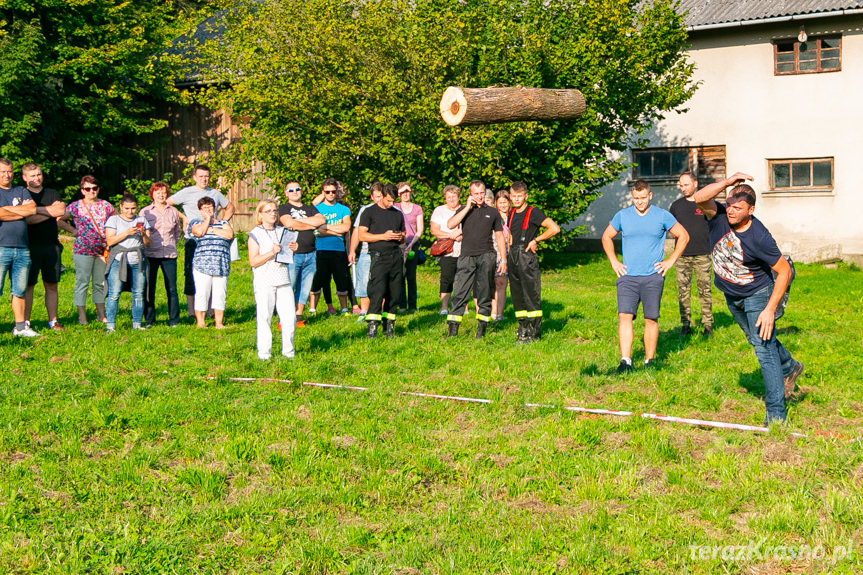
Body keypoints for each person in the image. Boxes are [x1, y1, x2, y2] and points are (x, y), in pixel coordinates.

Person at [693, 172, 804, 424]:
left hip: (758, 293)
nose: (731, 211)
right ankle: (789, 366)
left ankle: (776, 415)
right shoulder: (718, 214)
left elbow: (784, 271)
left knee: (764, 350)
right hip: (732, 294)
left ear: (750, 210)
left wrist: (769, 309)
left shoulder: (759, 237)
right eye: (730, 204)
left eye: (738, 208)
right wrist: (726, 183)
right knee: (757, 341)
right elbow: (698, 198)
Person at [601, 180, 689, 372]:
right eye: (635, 198)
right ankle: (626, 361)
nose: (639, 202)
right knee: (624, 316)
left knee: (651, 318)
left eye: (642, 198)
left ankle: (649, 361)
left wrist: (670, 260)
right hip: (628, 276)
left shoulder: (662, 216)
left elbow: (683, 236)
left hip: (652, 276)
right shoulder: (622, 216)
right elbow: (606, 236)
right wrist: (614, 261)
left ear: (650, 196)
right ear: (632, 197)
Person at [167, 164, 235, 317]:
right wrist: (183, 217)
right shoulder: (186, 192)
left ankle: (211, 310)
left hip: (213, 239)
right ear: (194, 177)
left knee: (214, 273)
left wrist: (222, 222)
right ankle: (192, 311)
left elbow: (230, 207)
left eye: (206, 176)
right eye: (201, 176)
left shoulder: (215, 193)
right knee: (191, 274)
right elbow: (167, 204)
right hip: (193, 239)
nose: (204, 179)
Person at [445, 180, 507, 339]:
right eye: (476, 194)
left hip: (487, 256)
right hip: (466, 256)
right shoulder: (463, 210)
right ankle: (453, 332)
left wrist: (504, 260)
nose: (480, 197)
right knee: (459, 291)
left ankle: (481, 331)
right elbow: (451, 224)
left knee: (484, 292)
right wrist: (467, 207)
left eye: (482, 193)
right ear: (470, 195)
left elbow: (499, 237)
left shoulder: (493, 212)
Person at [507, 181, 561, 342]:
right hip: (512, 256)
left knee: (531, 294)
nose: (516, 199)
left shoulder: (534, 212)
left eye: (519, 196)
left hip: (526, 257)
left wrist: (536, 240)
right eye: (514, 196)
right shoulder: (511, 213)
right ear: (510, 197)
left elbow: (554, 228)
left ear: (526, 196)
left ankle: (534, 332)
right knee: (517, 295)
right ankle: (522, 328)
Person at [22, 162, 70, 332]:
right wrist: (49, 211)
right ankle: (25, 322)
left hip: (52, 246)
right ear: (25, 178)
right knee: (28, 286)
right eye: (33, 175)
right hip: (29, 246)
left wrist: (36, 211)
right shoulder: (22, 194)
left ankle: (53, 321)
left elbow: (60, 212)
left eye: (39, 174)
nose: (37, 178)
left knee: (51, 285)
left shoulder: (52, 193)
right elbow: (27, 219)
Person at [248, 199, 296, 360]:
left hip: (283, 278)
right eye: (268, 211)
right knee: (265, 316)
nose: (272, 214)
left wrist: (292, 250)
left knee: (290, 317)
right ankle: (264, 353)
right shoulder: (255, 234)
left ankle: (289, 352)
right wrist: (271, 253)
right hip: (264, 279)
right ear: (260, 214)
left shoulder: (283, 231)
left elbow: (286, 256)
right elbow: (253, 261)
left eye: (274, 211)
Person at [63, 175, 113, 326]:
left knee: (100, 283)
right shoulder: (75, 206)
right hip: (82, 250)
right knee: (82, 282)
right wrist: (72, 230)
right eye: (87, 189)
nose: (91, 191)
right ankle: (82, 316)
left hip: (101, 250)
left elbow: (118, 219)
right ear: (82, 190)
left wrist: (111, 238)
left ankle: (101, 314)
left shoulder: (106, 205)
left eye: (94, 188)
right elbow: (59, 220)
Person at [0, 158, 42, 336]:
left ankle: (20, 327)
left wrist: (7, 211)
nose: (6, 175)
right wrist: (19, 211)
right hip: (1, 247)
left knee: (19, 289)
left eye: (9, 171)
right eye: (2, 172)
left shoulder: (20, 191)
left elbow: (32, 210)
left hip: (22, 249)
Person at [357, 184, 405, 338]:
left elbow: (403, 234)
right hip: (378, 256)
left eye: (393, 201)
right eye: (389, 200)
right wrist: (383, 236)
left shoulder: (397, 214)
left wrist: (400, 237)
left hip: (395, 255)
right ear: (382, 196)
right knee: (377, 292)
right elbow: (362, 236)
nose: (391, 204)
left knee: (395, 292)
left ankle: (389, 325)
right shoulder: (369, 212)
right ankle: (372, 327)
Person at [670, 172, 714, 337]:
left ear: (695, 183)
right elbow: (671, 229)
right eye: (681, 185)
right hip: (682, 255)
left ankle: (708, 325)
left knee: (705, 290)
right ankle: (685, 324)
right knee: (683, 291)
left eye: (686, 184)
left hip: (702, 254)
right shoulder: (676, 206)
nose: (683, 188)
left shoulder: (705, 204)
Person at [141, 181, 187, 327]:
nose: (161, 195)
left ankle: (174, 320)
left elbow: (177, 232)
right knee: (149, 288)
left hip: (169, 254)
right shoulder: (145, 212)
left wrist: (172, 243)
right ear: (152, 194)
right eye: (157, 192)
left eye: (163, 192)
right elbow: (141, 232)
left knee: (172, 288)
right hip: (150, 253)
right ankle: (149, 320)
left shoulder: (173, 211)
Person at [278, 181, 325, 326]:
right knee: (289, 287)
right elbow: (289, 223)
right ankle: (285, 318)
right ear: (286, 193)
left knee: (304, 288)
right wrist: (311, 224)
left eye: (297, 189)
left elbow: (322, 220)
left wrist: (299, 222)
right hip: (292, 254)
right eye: (291, 190)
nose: (295, 192)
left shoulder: (310, 208)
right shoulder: (283, 208)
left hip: (310, 253)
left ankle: (298, 317)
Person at [104, 194, 151, 332]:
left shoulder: (141, 220)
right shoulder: (113, 220)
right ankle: (110, 325)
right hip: (118, 259)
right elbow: (110, 241)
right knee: (114, 293)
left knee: (138, 293)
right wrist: (127, 233)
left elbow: (148, 243)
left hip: (137, 260)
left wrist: (142, 234)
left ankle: (137, 324)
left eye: (133, 208)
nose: (130, 212)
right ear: (121, 207)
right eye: (127, 208)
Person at [308, 178, 352, 316]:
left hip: (338, 250)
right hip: (320, 250)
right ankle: (312, 309)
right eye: (327, 192)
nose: (331, 194)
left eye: (333, 191)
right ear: (323, 193)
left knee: (341, 279)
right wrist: (335, 230)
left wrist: (325, 228)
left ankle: (344, 308)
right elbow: (315, 229)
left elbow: (346, 227)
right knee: (318, 280)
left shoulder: (343, 209)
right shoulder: (317, 209)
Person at [189, 196, 234, 328]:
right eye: (204, 208)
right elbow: (198, 232)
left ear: (214, 208)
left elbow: (229, 235)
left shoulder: (223, 223)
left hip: (221, 263)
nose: (207, 210)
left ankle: (219, 322)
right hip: (202, 264)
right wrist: (207, 220)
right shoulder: (196, 222)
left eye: (210, 207)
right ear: (199, 210)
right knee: (202, 292)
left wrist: (212, 229)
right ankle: (200, 322)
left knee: (220, 293)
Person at [348, 182, 384, 321]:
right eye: (377, 196)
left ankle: (379, 311)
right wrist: (352, 251)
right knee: (363, 281)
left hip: (383, 252)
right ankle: (364, 312)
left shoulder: (390, 210)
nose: (379, 199)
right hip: (366, 251)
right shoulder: (365, 210)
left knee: (381, 281)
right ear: (371, 197)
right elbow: (357, 231)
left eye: (381, 196)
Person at [429, 185, 463, 316]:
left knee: (463, 279)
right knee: (446, 279)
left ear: (458, 196)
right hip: (446, 251)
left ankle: (463, 307)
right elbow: (434, 230)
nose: (451, 199)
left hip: (464, 249)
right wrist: (451, 235)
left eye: (454, 196)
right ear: (445, 198)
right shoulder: (439, 211)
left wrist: (461, 235)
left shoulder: (465, 209)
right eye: (449, 197)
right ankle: (444, 307)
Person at [395, 182, 424, 313]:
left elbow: (420, 229)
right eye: (402, 192)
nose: (405, 194)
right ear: (398, 194)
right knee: (400, 274)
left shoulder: (417, 208)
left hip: (413, 244)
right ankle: (401, 305)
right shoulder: (395, 207)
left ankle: (412, 305)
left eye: (408, 191)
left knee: (411, 276)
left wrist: (411, 244)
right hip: (398, 244)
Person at [491, 190, 511, 322]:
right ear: (496, 203)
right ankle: (493, 311)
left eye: (505, 202)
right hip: (493, 251)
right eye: (500, 202)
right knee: (492, 283)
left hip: (509, 253)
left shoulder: (514, 217)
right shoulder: (493, 216)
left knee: (502, 283)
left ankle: (500, 313)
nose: (503, 205)